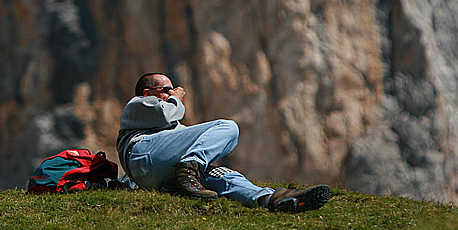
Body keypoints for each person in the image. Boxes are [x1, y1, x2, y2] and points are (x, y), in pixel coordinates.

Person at [116, 72, 331, 213]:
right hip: (143, 154)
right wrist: (177, 98)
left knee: (224, 175)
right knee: (227, 127)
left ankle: (270, 199)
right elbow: (167, 113)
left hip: (155, 174)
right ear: (148, 92)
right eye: (167, 89)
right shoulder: (139, 104)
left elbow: (173, 127)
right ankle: (188, 169)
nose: (173, 92)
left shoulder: (170, 129)